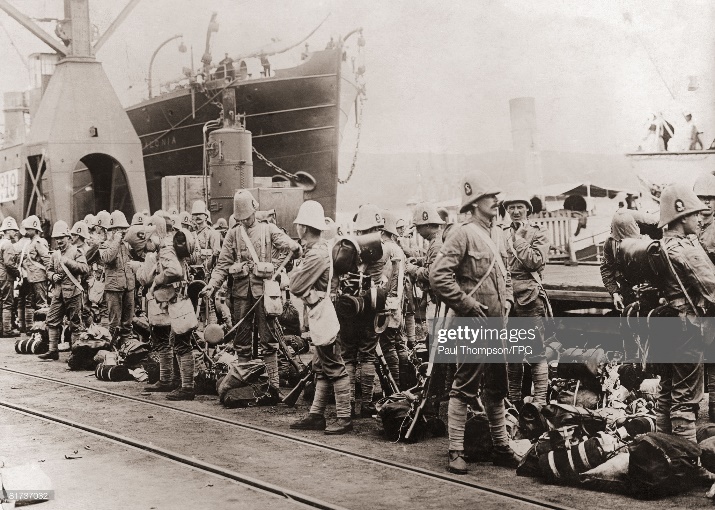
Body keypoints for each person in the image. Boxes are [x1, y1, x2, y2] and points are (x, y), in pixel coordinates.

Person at [430, 170, 518, 474]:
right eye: (489, 197)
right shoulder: (462, 233)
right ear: (475, 202)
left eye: (495, 196)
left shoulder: (496, 233)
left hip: (497, 325)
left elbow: (504, 272)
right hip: (472, 325)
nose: (496, 201)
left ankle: (501, 446)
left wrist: (506, 301)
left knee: (497, 386)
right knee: (464, 386)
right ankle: (456, 450)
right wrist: (465, 302)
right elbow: (438, 275)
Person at [201, 190, 301, 391]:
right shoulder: (233, 233)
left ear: (254, 210)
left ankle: (273, 386)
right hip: (240, 295)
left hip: (265, 295)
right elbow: (222, 265)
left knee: (269, 340)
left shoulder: (269, 229)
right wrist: (212, 285)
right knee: (242, 340)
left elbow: (290, 246)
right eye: (241, 218)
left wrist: (282, 260)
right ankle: (246, 380)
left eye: (247, 217)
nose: (245, 221)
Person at [652, 184, 715, 442]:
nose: (699, 218)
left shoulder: (660, 246)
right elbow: (711, 286)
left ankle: (661, 449)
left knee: (667, 390)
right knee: (686, 395)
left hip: (667, 320)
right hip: (687, 325)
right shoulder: (685, 250)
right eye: (694, 214)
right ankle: (686, 462)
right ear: (681, 217)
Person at [289, 201, 352, 434]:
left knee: (334, 365)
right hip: (320, 312)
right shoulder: (318, 250)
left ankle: (344, 418)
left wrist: (295, 277)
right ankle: (316, 414)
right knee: (322, 365)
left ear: (304, 228)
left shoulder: (316, 254)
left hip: (323, 314)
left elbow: (295, 285)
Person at [501, 192, 550, 408]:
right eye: (511, 207)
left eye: (519, 207)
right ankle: (514, 400)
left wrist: (520, 239)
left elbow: (535, 262)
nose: (515, 211)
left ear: (527, 209)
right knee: (512, 353)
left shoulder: (538, 232)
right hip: (508, 298)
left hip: (529, 297)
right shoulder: (501, 234)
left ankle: (539, 401)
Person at [338, 203, 387, 417]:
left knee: (348, 356)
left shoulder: (350, 247)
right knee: (368, 356)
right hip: (372, 307)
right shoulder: (381, 248)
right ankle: (366, 403)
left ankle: (348, 404)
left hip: (349, 308)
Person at [39, 221, 89, 360]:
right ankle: (53, 350)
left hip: (73, 292)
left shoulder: (76, 251)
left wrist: (68, 262)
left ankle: (76, 354)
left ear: (68, 237)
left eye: (62, 237)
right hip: (58, 293)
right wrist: (53, 276)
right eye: (57, 238)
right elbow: (48, 271)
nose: (59, 241)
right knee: (52, 320)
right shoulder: (55, 255)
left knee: (75, 324)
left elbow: (85, 269)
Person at [600, 210, 657, 311]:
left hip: (648, 290)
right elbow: (606, 269)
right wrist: (615, 293)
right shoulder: (610, 243)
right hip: (626, 288)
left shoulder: (647, 244)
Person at [379, 210, 408, 388]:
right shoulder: (397, 248)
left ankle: (395, 388)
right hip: (397, 303)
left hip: (386, 303)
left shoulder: (385, 248)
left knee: (387, 345)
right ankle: (404, 384)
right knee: (397, 343)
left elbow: (384, 280)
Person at [99, 211, 136, 347]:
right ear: (112, 230)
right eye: (119, 229)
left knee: (128, 322)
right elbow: (107, 258)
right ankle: (113, 350)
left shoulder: (127, 245)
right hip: (114, 288)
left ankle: (126, 350)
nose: (122, 231)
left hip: (129, 286)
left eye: (124, 229)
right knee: (114, 322)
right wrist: (116, 240)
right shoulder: (105, 245)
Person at [17, 215, 50, 335]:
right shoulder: (30, 242)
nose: (26, 231)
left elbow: (47, 259)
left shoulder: (39, 242)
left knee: (41, 305)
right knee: (33, 304)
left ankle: (43, 332)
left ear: (35, 229)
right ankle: (37, 329)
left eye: (28, 229)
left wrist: (49, 274)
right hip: (31, 278)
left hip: (39, 278)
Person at [0, 217, 19, 337]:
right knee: (7, 302)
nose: (15, 232)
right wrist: (18, 273)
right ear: (7, 230)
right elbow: (9, 263)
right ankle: (7, 330)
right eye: (13, 230)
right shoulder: (8, 244)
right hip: (5, 276)